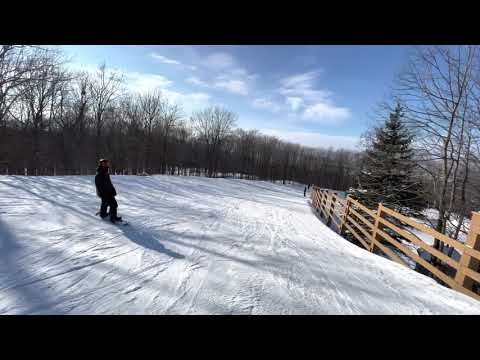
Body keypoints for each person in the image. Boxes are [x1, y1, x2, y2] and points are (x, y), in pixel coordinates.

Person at [95, 159, 122, 223]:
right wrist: (102, 193)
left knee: (110, 204)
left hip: (109, 192)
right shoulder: (99, 173)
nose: (105, 164)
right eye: (104, 163)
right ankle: (112, 217)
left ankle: (106, 215)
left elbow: (109, 183)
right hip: (104, 193)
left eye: (106, 163)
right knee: (110, 204)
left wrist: (113, 190)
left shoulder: (106, 172)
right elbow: (98, 185)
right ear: (101, 164)